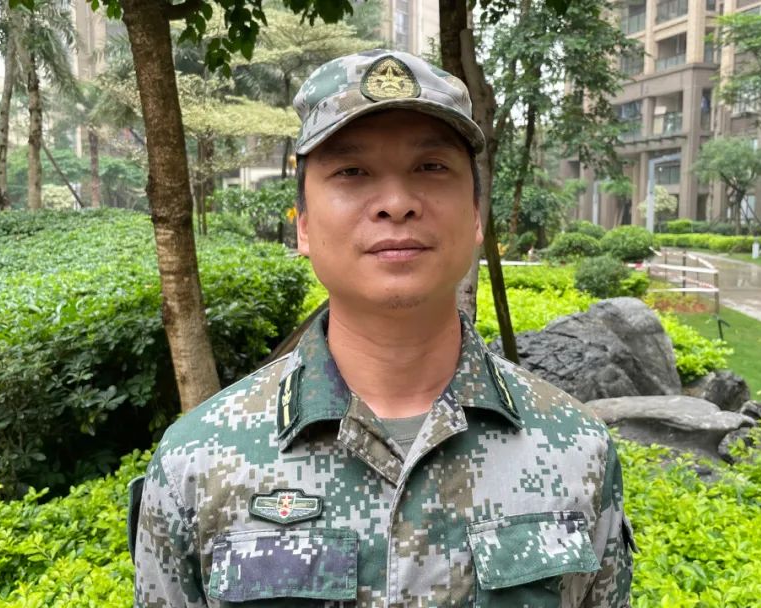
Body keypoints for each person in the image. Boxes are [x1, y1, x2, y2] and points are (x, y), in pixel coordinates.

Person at [130, 49, 635, 607]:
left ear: (475, 215)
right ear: (303, 226)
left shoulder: (577, 451)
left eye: (431, 167)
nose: (396, 204)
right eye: (352, 172)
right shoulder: (197, 463)